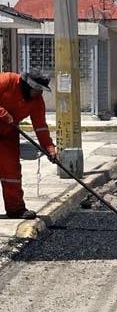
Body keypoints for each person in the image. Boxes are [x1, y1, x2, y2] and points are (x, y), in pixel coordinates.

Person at [0, 72, 57, 220]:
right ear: (27, 85)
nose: (39, 93)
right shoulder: (7, 81)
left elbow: (41, 127)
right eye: (37, 89)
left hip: (8, 134)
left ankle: (16, 209)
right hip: (5, 123)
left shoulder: (37, 101)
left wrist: (49, 147)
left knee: (11, 172)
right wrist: (4, 114)